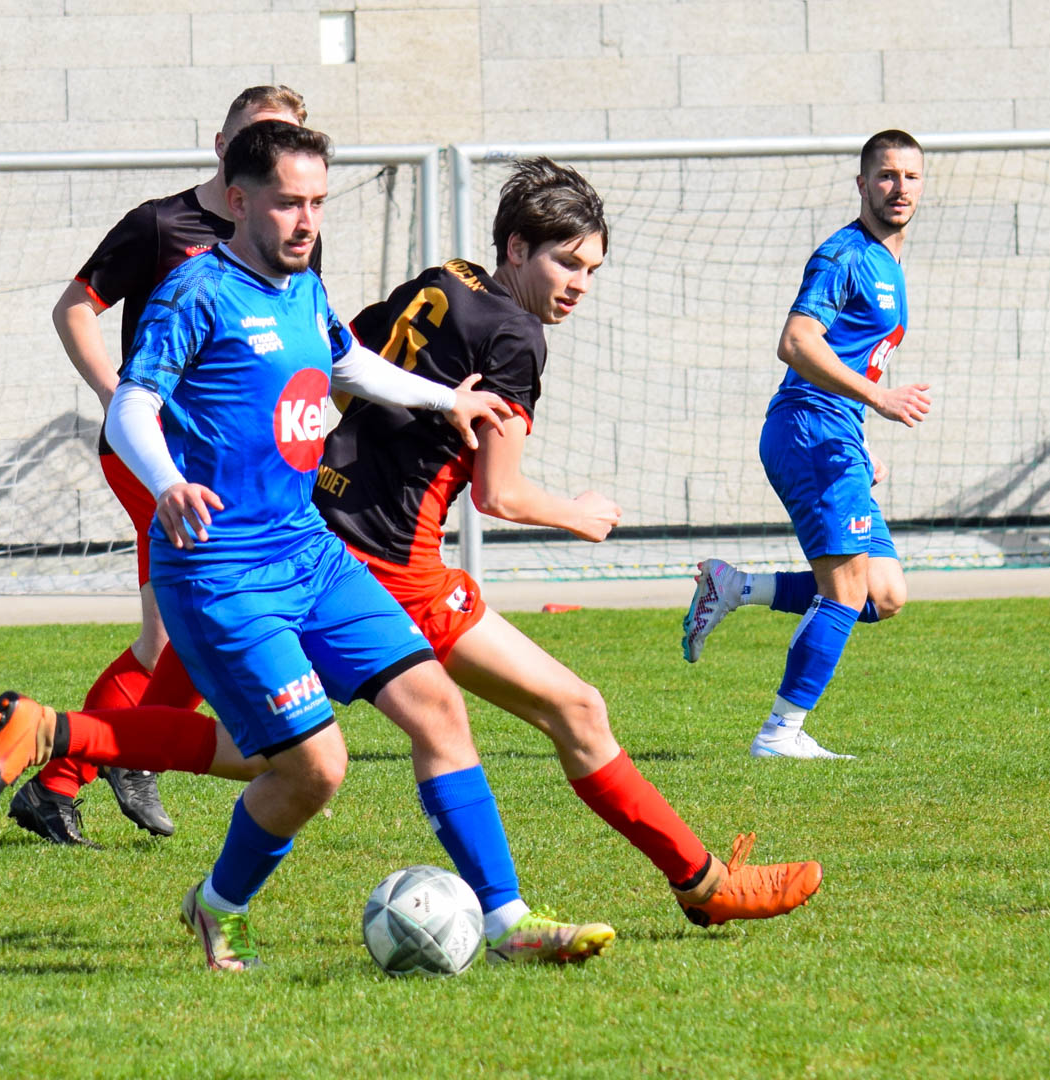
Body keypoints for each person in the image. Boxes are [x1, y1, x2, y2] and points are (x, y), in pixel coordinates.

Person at [0, 121, 616, 971]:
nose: (307, 220)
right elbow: (130, 408)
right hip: (221, 570)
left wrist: (443, 399)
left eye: (318, 203)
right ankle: (216, 908)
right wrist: (168, 483)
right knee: (315, 769)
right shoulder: (197, 292)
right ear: (238, 200)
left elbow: (348, 363)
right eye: (289, 203)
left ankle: (507, 922)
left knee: (438, 710)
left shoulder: (303, 287)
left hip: (309, 552)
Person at [315, 157, 822, 927]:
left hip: (326, 529)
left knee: (280, 741)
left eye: (592, 269)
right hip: (393, 565)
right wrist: (576, 514)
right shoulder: (515, 336)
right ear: (517, 248)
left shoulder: (444, 279)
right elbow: (499, 494)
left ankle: (694, 885)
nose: (581, 283)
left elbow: (339, 368)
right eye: (567, 262)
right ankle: (688, 888)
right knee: (563, 710)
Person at [24, 86, 320, 844]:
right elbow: (73, 307)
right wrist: (118, 396)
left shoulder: (292, 228)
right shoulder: (161, 223)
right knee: (171, 634)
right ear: (222, 146)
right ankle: (74, 771)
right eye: (254, 137)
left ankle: (78, 774)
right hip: (160, 460)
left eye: (284, 138)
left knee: (193, 630)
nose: (270, 154)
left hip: (235, 466)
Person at [681, 130, 932, 760]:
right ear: (862, 184)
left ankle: (734, 587)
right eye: (886, 175)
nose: (899, 187)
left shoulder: (890, 263)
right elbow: (795, 342)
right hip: (809, 430)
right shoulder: (843, 255)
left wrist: (860, 431)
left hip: (835, 431)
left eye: (910, 176)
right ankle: (779, 735)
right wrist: (877, 400)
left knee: (884, 594)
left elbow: (848, 354)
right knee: (845, 593)